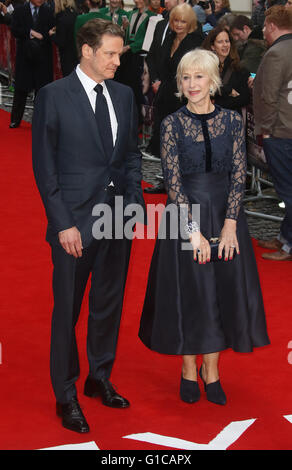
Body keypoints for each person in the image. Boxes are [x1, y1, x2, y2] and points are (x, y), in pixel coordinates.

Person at [32, 18, 145, 433]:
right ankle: (66, 394)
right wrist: (62, 224)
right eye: (111, 54)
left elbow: (131, 155)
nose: (117, 61)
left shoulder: (124, 94)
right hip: (74, 223)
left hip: (117, 217)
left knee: (108, 304)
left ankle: (99, 377)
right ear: (87, 50)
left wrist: (133, 203)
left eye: (120, 54)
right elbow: (45, 168)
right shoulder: (53, 95)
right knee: (68, 310)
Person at [139, 48, 270, 405]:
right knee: (190, 294)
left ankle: (211, 371)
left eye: (199, 76)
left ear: (212, 80)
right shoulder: (171, 124)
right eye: (186, 77)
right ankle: (186, 367)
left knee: (219, 294)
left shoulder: (231, 121)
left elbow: (238, 175)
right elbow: (173, 180)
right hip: (185, 216)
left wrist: (230, 225)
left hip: (227, 217)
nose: (192, 84)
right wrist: (192, 231)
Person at [144, 3, 204, 193]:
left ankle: (184, 184)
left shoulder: (196, 42)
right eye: (176, 20)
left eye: (183, 21)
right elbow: (159, 61)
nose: (179, 25)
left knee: (183, 144)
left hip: (184, 100)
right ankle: (168, 182)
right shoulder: (170, 38)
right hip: (165, 99)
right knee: (166, 143)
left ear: (190, 23)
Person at [253, 6, 292, 261]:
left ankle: (288, 245)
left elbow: (269, 96)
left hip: (279, 131)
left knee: (288, 191)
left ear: (271, 26)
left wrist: (265, 130)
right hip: (286, 128)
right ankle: (283, 237)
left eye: (265, 27)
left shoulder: (276, 53)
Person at [9, 0, 55, 128]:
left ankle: (41, 121)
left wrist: (43, 36)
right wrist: (30, 32)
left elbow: (52, 31)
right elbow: (14, 29)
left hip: (43, 56)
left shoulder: (48, 11)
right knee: (21, 89)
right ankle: (15, 119)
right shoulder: (19, 10)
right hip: (25, 55)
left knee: (42, 90)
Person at [202, 25, 250, 113]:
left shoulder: (240, 69)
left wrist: (217, 102)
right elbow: (201, 89)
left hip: (230, 120)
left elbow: (244, 98)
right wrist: (227, 91)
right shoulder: (203, 67)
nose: (225, 45)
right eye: (220, 42)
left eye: (227, 41)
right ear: (212, 46)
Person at [49, 0, 78, 77]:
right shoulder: (75, 14)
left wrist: (52, 35)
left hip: (67, 57)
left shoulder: (62, 18)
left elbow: (61, 41)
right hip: (77, 54)